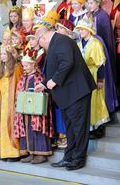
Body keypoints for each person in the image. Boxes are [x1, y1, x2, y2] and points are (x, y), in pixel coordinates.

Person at [34, 23, 96, 170]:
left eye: (39, 43)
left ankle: (78, 159)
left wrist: (54, 81)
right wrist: (44, 84)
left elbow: (67, 63)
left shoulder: (61, 40)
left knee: (79, 127)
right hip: (68, 94)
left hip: (76, 92)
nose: (40, 46)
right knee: (70, 128)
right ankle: (69, 157)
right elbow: (55, 67)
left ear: (43, 37)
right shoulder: (56, 42)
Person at [14, 48, 54, 164]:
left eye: (26, 66)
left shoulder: (39, 77)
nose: (24, 68)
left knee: (37, 128)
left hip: (36, 110)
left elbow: (43, 94)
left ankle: (40, 153)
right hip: (25, 110)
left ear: (32, 65)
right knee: (27, 129)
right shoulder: (23, 78)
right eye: (23, 66)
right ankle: (30, 152)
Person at [75, 18, 110, 138]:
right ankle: (89, 126)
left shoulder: (95, 43)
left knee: (96, 100)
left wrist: (100, 79)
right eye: (79, 30)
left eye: (82, 29)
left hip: (94, 74)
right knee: (87, 101)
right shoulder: (79, 43)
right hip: (83, 76)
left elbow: (100, 63)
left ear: (88, 30)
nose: (80, 32)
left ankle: (98, 126)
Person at [0, 45, 23, 161]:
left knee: (12, 124)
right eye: (1, 54)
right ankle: (5, 152)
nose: (2, 56)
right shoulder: (0, 69)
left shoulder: (16, 68)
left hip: (12, 101)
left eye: (5, 54)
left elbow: (19, 86)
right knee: (3, 125)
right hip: (2, 101)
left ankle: (14, 153)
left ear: (10, 55)